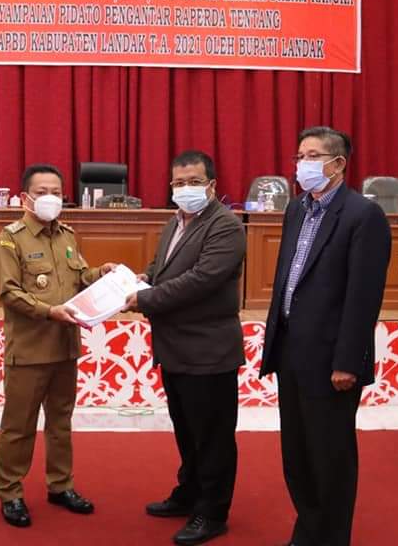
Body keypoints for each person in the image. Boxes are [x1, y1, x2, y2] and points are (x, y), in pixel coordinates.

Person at [259, 126, 392, 546]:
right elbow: (288, 278)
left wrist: (348, 360)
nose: (302, 164)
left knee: (329, 457)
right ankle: (308, 531)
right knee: (297, 454)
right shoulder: (296, 209)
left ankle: (331, 537)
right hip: (290, 351)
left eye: (312, 156)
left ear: (338, 164)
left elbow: (363, 296)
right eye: (299, 156)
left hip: (331, 359)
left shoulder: (363, 215)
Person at [125, 150, 246, 545]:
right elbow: (162, 269)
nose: (185, 189)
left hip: (208, 350)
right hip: (175, 348)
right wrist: (140, 280)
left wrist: (144, 299)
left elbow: (202, 280)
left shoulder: (226, 226)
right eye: (178, 183)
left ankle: (212, 512)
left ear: (211, 185)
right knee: (188, 430)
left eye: (194, 182)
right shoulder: (173, 222)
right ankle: (189, 491)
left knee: (212, 436)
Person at [0, 164, 115, 528]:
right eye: (42, 192)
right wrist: (49, 311)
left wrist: (100, 274)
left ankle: (60, 485)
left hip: (65, 347)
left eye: (57, 193)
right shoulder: (10, 239)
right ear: (25, 198)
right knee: (19, 426)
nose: (51, 198)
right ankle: (10, 493)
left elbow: (79, 278)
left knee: (61, 423)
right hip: (30, 349)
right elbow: (9, 292)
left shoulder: (67, 235)